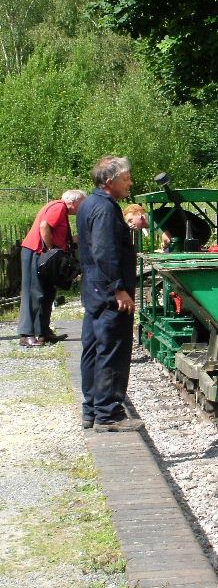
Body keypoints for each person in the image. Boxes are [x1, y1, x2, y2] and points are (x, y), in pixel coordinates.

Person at [77, 155, 143, 432]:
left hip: (94, 287)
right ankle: (109, 414)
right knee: (112, 349)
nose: (129, 184)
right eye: (126, 179)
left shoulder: (89, 204)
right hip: (108, 290)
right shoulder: (104, 209)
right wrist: (119, 289)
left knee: (93, 347)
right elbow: (104, 251)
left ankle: (92, 408)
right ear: (110, 181)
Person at [18, 189, 86, 347]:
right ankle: (26, 334)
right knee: (33, 292)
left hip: (42, 254)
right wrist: (51, 251)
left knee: (47, 292)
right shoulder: (59, 207)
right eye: (82, 203)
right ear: (72, 202)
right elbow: (44, 226)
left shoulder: (61, 210)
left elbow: (60, 235)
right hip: (36, 252)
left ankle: (43, 332)